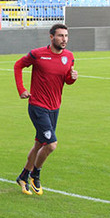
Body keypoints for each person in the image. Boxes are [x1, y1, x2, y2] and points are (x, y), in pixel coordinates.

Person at [14, 23, 78, 196]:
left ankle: (23, 176)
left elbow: (66, 80)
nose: (64, 39)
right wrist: (22, 89)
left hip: (54, 107)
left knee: (39, 145)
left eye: (66, 36)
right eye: (60, 36)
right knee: (50, 144)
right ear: (51, 37)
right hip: (37, 106)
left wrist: (72, 78)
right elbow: (18, 65)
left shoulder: (69, 57)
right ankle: (36, 174)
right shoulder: (38, 54)